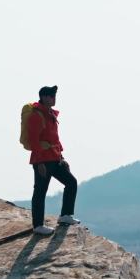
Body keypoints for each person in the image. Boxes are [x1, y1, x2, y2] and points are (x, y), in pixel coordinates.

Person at [27, 85, 80, 235]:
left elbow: (54, 139)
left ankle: (65, 215)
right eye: (51, 96)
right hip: (42, 161)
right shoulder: (36, 116)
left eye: (54, 96)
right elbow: (34, 140)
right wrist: (39, 162)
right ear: (43, 97)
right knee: (40, 192)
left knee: (71, 182)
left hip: (55, 159)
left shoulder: (51, 115)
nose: (54, 98)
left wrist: (61, 157)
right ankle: (38, 225)